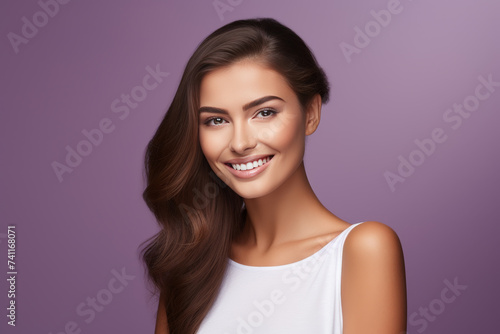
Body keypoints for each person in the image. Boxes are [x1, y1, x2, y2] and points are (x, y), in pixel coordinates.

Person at [141, 18, 407, 334]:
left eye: (264, 113)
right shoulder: (191, 260)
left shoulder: (364, 250)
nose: (240, 143)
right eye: (215, 120)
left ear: (311, 114)